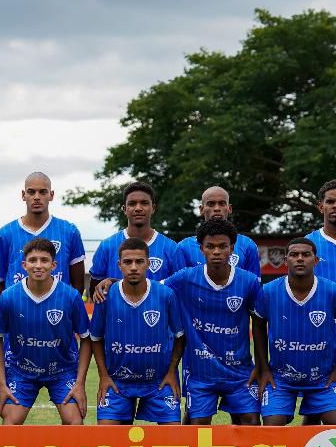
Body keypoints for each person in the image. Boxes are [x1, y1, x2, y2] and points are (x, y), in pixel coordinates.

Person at [164, 218, 263, 426]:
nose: (216, 251)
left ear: (232, 248)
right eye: (210, 246)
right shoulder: (185, 278)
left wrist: (262, 365)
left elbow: (260, 322)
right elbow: (150, 288)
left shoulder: (249, 282)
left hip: (240, 373)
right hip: (201, 374)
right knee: (198, 424)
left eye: (222, 246)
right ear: (201, 249)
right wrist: (112, 283)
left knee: (251, 422)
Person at [0, 238, 91, 424]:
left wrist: (79, 383)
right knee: (10, 422)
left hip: (62, 371)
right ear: (24, 265)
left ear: (54, 265)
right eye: (32, 260)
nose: (38, 265)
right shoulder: (9, 297)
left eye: (44, 260)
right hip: (21, 371)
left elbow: (86, 339)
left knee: (75, 422)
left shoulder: (70, 296)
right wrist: (2, 384)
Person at [252, 238, 336, 425]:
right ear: (285, 260)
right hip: (281, 379)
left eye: (306, 254)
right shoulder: (268, 291)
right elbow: (258, 325)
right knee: (273, 425)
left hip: (323, 379)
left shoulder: (334, 292)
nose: (299, 258)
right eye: (294, 255)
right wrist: (263, 369)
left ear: (316, 260)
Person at [89, 238, 186, 425]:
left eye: (139, 261)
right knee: (106, 437)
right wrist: (104, 376)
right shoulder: (106, 297)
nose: (133, 267)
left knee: (174, 436)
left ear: (148, 263)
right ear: (119, 265)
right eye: (127, 262)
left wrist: (172, 371)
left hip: (159, 381)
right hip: (117, 382)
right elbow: (95, 338)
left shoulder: (166, 295)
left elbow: (180, 336)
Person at [0, 172, 86, 296]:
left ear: (51, 195)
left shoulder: (69, 231)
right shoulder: (5, 234)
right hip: (19, 307)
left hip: (58, 306)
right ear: (23, 195)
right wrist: (15, 304)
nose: (36, 197)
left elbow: (78, 285)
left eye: (43, 192)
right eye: (31, 192)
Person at [89, 182, 182, 295]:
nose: (138, 208)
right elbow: (95, 291)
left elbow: (179, 290)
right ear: (124, 209)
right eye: (132, 204)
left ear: (153, 208)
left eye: (144, 203)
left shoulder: (172, 248)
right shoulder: (106, 246)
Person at [177, 185, 262, 275]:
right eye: (211, 204)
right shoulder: (184, 247)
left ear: (229, 208)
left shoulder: (247, 245)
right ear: (202, 209)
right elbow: (177, 282)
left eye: (222, 203)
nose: (217, 208)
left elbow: (253, 282)